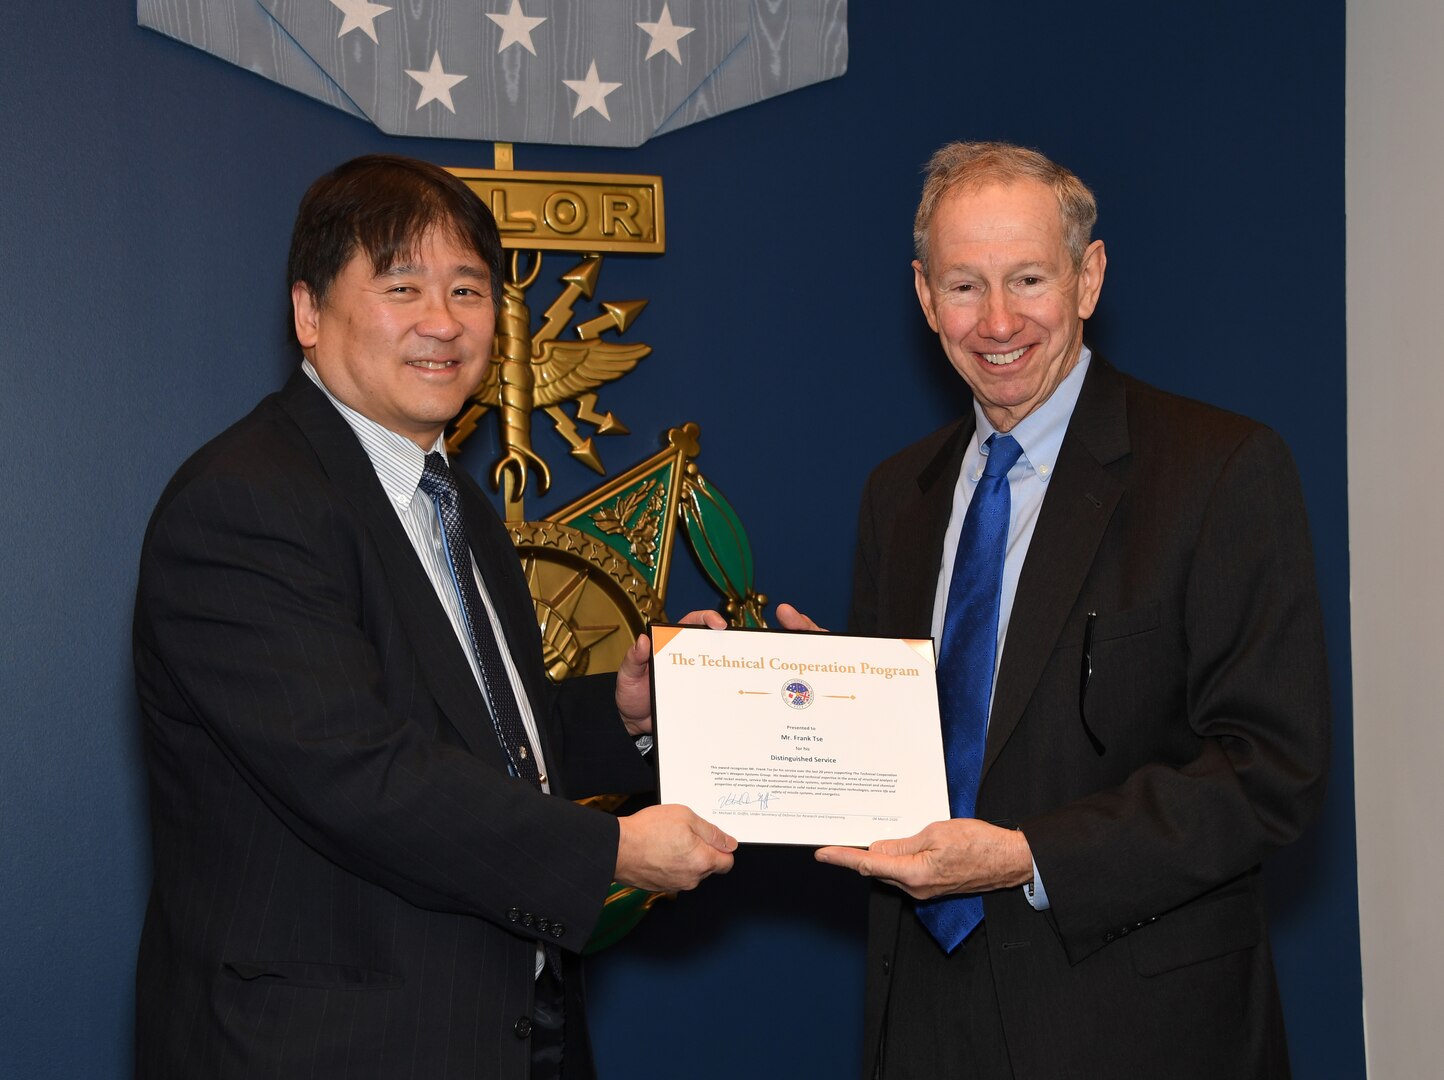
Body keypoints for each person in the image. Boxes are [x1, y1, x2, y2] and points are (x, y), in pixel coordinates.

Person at [131, 154, 736, 1080]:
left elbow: (478, 738)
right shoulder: (244, 504)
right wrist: (608, 849)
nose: (443, 322)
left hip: (503, 1034)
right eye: (401, 285)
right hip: (324, 1051)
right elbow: (356, 773)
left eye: (469, 289)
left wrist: (621, 713)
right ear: (307, 312)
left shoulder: (452, 504)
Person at [811, 142, 1331, 1078]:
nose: (998, 320)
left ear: (1088, 278)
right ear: (925, 297)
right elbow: (908, 767)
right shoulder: (900, 496)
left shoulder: (1220, 470)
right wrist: (819, 704)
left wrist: (1028, 856)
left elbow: (1271, 775)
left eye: (1029, 278)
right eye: (965, 285)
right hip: (926, 1019)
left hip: (1139, 1030)